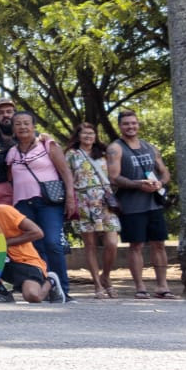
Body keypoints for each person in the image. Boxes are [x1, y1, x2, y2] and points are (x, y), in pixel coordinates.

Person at [5, 110, 75, 302]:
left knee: (53, 242)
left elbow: (65, 172)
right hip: (22, 204)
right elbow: (11, 179)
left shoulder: (47, 145)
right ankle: (45, 286)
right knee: (35, 246)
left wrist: (70, 197)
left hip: (48, 202)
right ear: (13, 128)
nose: (22, 127)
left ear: (34, 125)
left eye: (26, 123)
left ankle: (63, 288)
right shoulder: (12, 152)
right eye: (18, 123)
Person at [105, 110, 176, 299]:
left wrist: (160, 183)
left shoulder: (150, 147)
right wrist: (138, 185)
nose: (131, 127)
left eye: (133, 123)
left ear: (138, 125)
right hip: (131, 206)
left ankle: (162, 286)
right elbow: (113, 177)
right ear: (120, 126)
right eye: (126, 124)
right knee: (135, 245)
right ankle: (140, 287)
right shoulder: (115, 148)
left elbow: (164, 172)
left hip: (154, 204)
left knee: (159, 244)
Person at [65, 122, 122, 298]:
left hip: (104, 200)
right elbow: (66, 177)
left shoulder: (103, 154)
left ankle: (105, 276)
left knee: (112, 243)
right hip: (83, 201)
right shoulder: (71, 155)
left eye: (91, 133)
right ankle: (97, 285)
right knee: (89, 245)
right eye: (85, 133)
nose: (88, 136)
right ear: (78, 136)